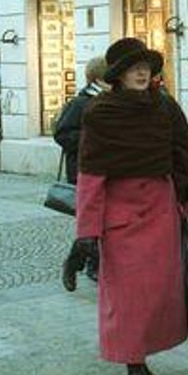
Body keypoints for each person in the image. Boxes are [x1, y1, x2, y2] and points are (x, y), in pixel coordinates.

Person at [73, 38, 188, 375]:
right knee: (127, 296)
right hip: (122, 215)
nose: (142, 72)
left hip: (161, 208)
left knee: (158, 293)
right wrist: (86, 232)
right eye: (134, 67)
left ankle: (144, 352)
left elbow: (184, 151)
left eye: (146, 67)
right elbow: (91, 175)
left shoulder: (164, 107)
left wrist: (185, 199)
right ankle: (134, 362)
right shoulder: (101, 112)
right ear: (119, 74)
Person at [56, 56, 109, 286]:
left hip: (108, 170)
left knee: (104, 219)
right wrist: (92, 140)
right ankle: (81, 262)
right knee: (93, 219)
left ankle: (90, 263)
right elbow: (62, 134)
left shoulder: (112, 100)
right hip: (83, 172)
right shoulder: (80, 103)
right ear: (99, 78)